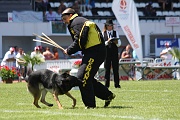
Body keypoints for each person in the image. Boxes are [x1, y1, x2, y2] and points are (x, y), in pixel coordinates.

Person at [61, 8, 116, 108]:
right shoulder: (80, 21)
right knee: (87, 77)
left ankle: (90, 105)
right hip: (95, 51)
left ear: (70, 15)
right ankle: (107, 95)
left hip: (94, 52)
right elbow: (81, 41)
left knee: (82, 77)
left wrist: (69, 50)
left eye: (64, 19)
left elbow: (80, 41)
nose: (64, 21)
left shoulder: (75, 22)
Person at [102, 19, 121, 88]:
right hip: (107, 54)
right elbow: (102, 44)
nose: (110, 27)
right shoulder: (103, 33)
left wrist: (116, 43)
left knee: (116, 69)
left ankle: (117, 84)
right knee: (107, 69)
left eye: (111, 25)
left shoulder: (116, 33)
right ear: (106, 26)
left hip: (114, 53)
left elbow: (119, 44)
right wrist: (108, 41)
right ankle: (106, 85)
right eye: (108, 25)